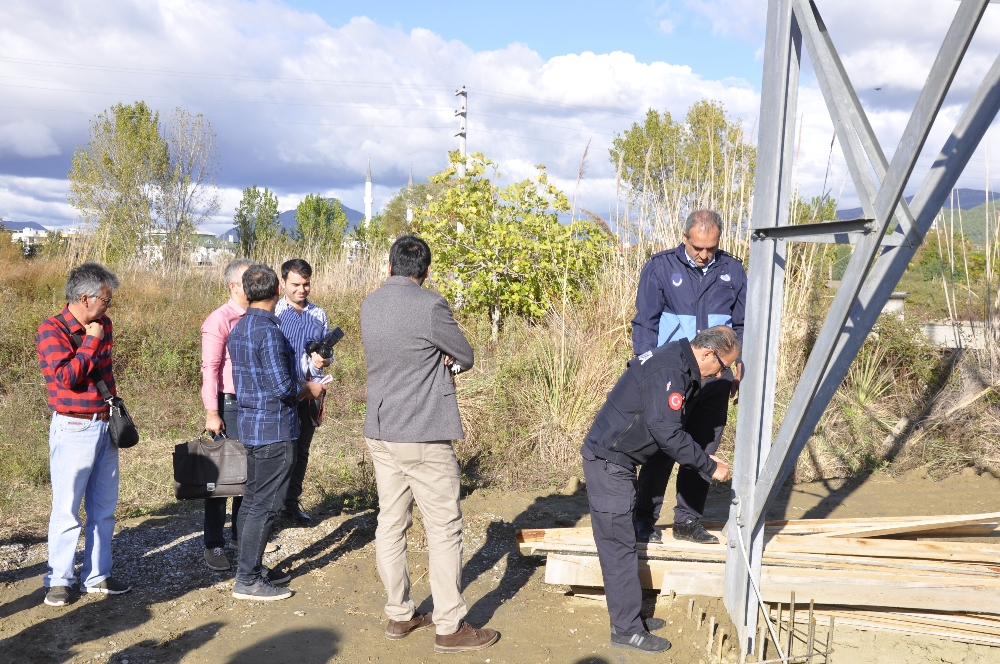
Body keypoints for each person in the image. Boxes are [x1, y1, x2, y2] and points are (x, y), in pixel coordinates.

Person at [361, 235, 498, 653]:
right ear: (425, 271)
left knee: (391, 521)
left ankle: (399, 615)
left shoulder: (370, 304)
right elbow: (465, 355)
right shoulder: (430, 304)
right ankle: (449, 625)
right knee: (443, 528)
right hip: (421, 430)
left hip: (380, 428)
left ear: (389, 266)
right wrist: (447, 361)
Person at [581, 326, 738, 653]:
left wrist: (702, 457)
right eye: (723, 366)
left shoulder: (678, 361)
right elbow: (666, 432)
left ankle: (630, 617)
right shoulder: (670, 370)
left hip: (617, 460)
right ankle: (625, 630)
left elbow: (666, 429)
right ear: (708, 353)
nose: (722, 374)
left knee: (621, 543)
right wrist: (710, 466)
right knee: (619, 545)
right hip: (609, 462)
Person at [631, 209, 746, 545]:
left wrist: (742, 365)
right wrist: (643, 366)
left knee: (703, 447)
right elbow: (645, 323)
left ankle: (688, 521)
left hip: (716, 377)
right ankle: (643, 521)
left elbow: (742, 325)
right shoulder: (660, 267)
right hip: (673, 375)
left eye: (710, 248)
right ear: (685, 238)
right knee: (662, 445)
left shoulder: (733, 270)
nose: (703, 254)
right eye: (697, 247)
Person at [227, 264, 326, 601]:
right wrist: (308, 389)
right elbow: (282, 387)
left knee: (252, 500)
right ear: (275, 291)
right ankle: (248, 579)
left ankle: (248, 567)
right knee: (265, 506)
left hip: (251, 426)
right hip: (274, 428)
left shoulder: (240, 327)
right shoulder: (269, 331)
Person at [37, 262, 131, 607]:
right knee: (67, 509)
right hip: (73, 426)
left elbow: (102, 374)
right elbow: (66, 379)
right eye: (106, 299)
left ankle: (97, 576)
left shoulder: (103, 323)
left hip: (104, 423)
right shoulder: (52, 330)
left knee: (103, 507)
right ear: (86, 297)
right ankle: (59, 580)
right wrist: (91, 342)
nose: (109, 305)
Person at [274, 258, 331, 525]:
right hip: (282, 392)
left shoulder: (319, 315)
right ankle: (271, 508)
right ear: (283, 282)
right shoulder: (274, 312)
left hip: (310, 393)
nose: (302, 289)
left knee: (301, 451)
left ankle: (290, 504)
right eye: (295, 284)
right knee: (280, 452)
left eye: (306, 284)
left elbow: (325, 352)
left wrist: (324, 359)